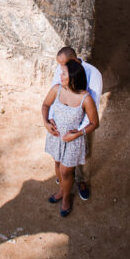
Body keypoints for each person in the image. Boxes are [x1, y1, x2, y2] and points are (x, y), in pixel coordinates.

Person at [42, 60, 99, 216]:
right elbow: (45, 105)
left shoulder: (85, 98)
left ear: (73, 77)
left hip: (73, 140)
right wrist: (46, 123)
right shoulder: (57, 89)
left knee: (66, 171)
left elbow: (95, 123)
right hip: (56, 136)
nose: (60, 76)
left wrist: (78, 134)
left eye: (64, 73)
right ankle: (61, 190)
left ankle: (66, 198)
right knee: (58, 164)